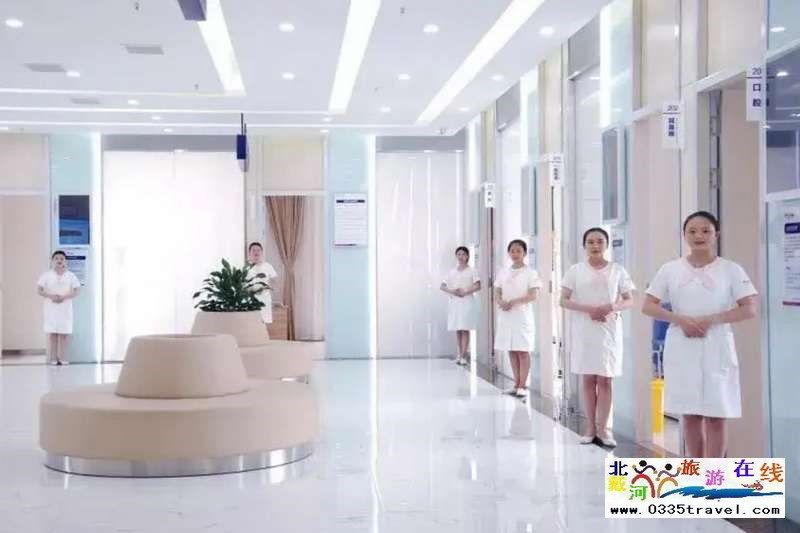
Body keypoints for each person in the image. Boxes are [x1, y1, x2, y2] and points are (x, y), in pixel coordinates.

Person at [642, 211, 757, 458]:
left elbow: (749, 308)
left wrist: (711, 320)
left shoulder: (731, 269)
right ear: (684, 235)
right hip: (682, 344)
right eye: (692, 231)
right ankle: (695, 469)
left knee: (717, 414)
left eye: (706, 230)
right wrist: (680, 320)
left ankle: (714, 473)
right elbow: (648, 305)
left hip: (716, 344)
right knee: (690, 413)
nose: (699, 236)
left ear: (716, 234)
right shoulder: (670, 269)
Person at [560, 227, 635, 447]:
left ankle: (603, 429)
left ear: (606, 245)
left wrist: (610, 307)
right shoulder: (575, 271)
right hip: (584, 329)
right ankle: (590, 427)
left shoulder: (617, 270)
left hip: (608, 329)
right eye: (591, 242)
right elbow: (563, 300)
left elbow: (630, 300)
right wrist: (589, 309)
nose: (595, 245)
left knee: (605, 378)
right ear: (584, 245)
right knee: (588, 378)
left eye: (600, 241)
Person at [494, 239, 542, 398]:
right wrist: (500, 301)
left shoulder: (531, 273)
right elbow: (497, 291)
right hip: (506, 315)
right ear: (508, 253)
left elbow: (534, 295)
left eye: (519, 251)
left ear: (525, 253)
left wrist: (513, 302)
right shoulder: (503, 272)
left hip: (522, 316)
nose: (515, 254)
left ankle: (522, 385)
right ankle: (516, 384)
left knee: (522, 350)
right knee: (511, 349)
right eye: (512, 251)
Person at [37, 250, 81, 366]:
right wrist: (51, 296)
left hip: (65, 306)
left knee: (64, 333)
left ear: (65, 261)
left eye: (62, 258)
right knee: (52, 334)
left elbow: (77, 291)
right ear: (52, 261)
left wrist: (64, 297)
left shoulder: (71, 275)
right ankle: (53, 358)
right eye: (56, 258)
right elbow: (39, 290)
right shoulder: (46, 275)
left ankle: (62, 358)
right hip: (51, 306)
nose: (59, 261)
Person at [440, 246, 481, 365]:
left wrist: (465, 291)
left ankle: (463, 356)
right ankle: (459, 355)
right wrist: (453, 291)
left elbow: (478, 285)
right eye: (459, 254)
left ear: (467, 256)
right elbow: (442, 286)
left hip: (467, 301)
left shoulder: (472, 270)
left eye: (463, 254)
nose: (461, 256)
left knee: (465, 328)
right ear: (456, 256)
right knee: (458, 328)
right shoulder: (452, 271)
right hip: (455, 302)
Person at [246, 242, 278, 325]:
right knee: (251, 323)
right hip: (250, 300)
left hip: (265, 299)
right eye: (253, 250)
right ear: (249, 253)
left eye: (258, 250)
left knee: (264, 323)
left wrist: (269, 289)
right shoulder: (246, 267)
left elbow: (274, 281)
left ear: (262, 252)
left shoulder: (268, 266)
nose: (256, 252)